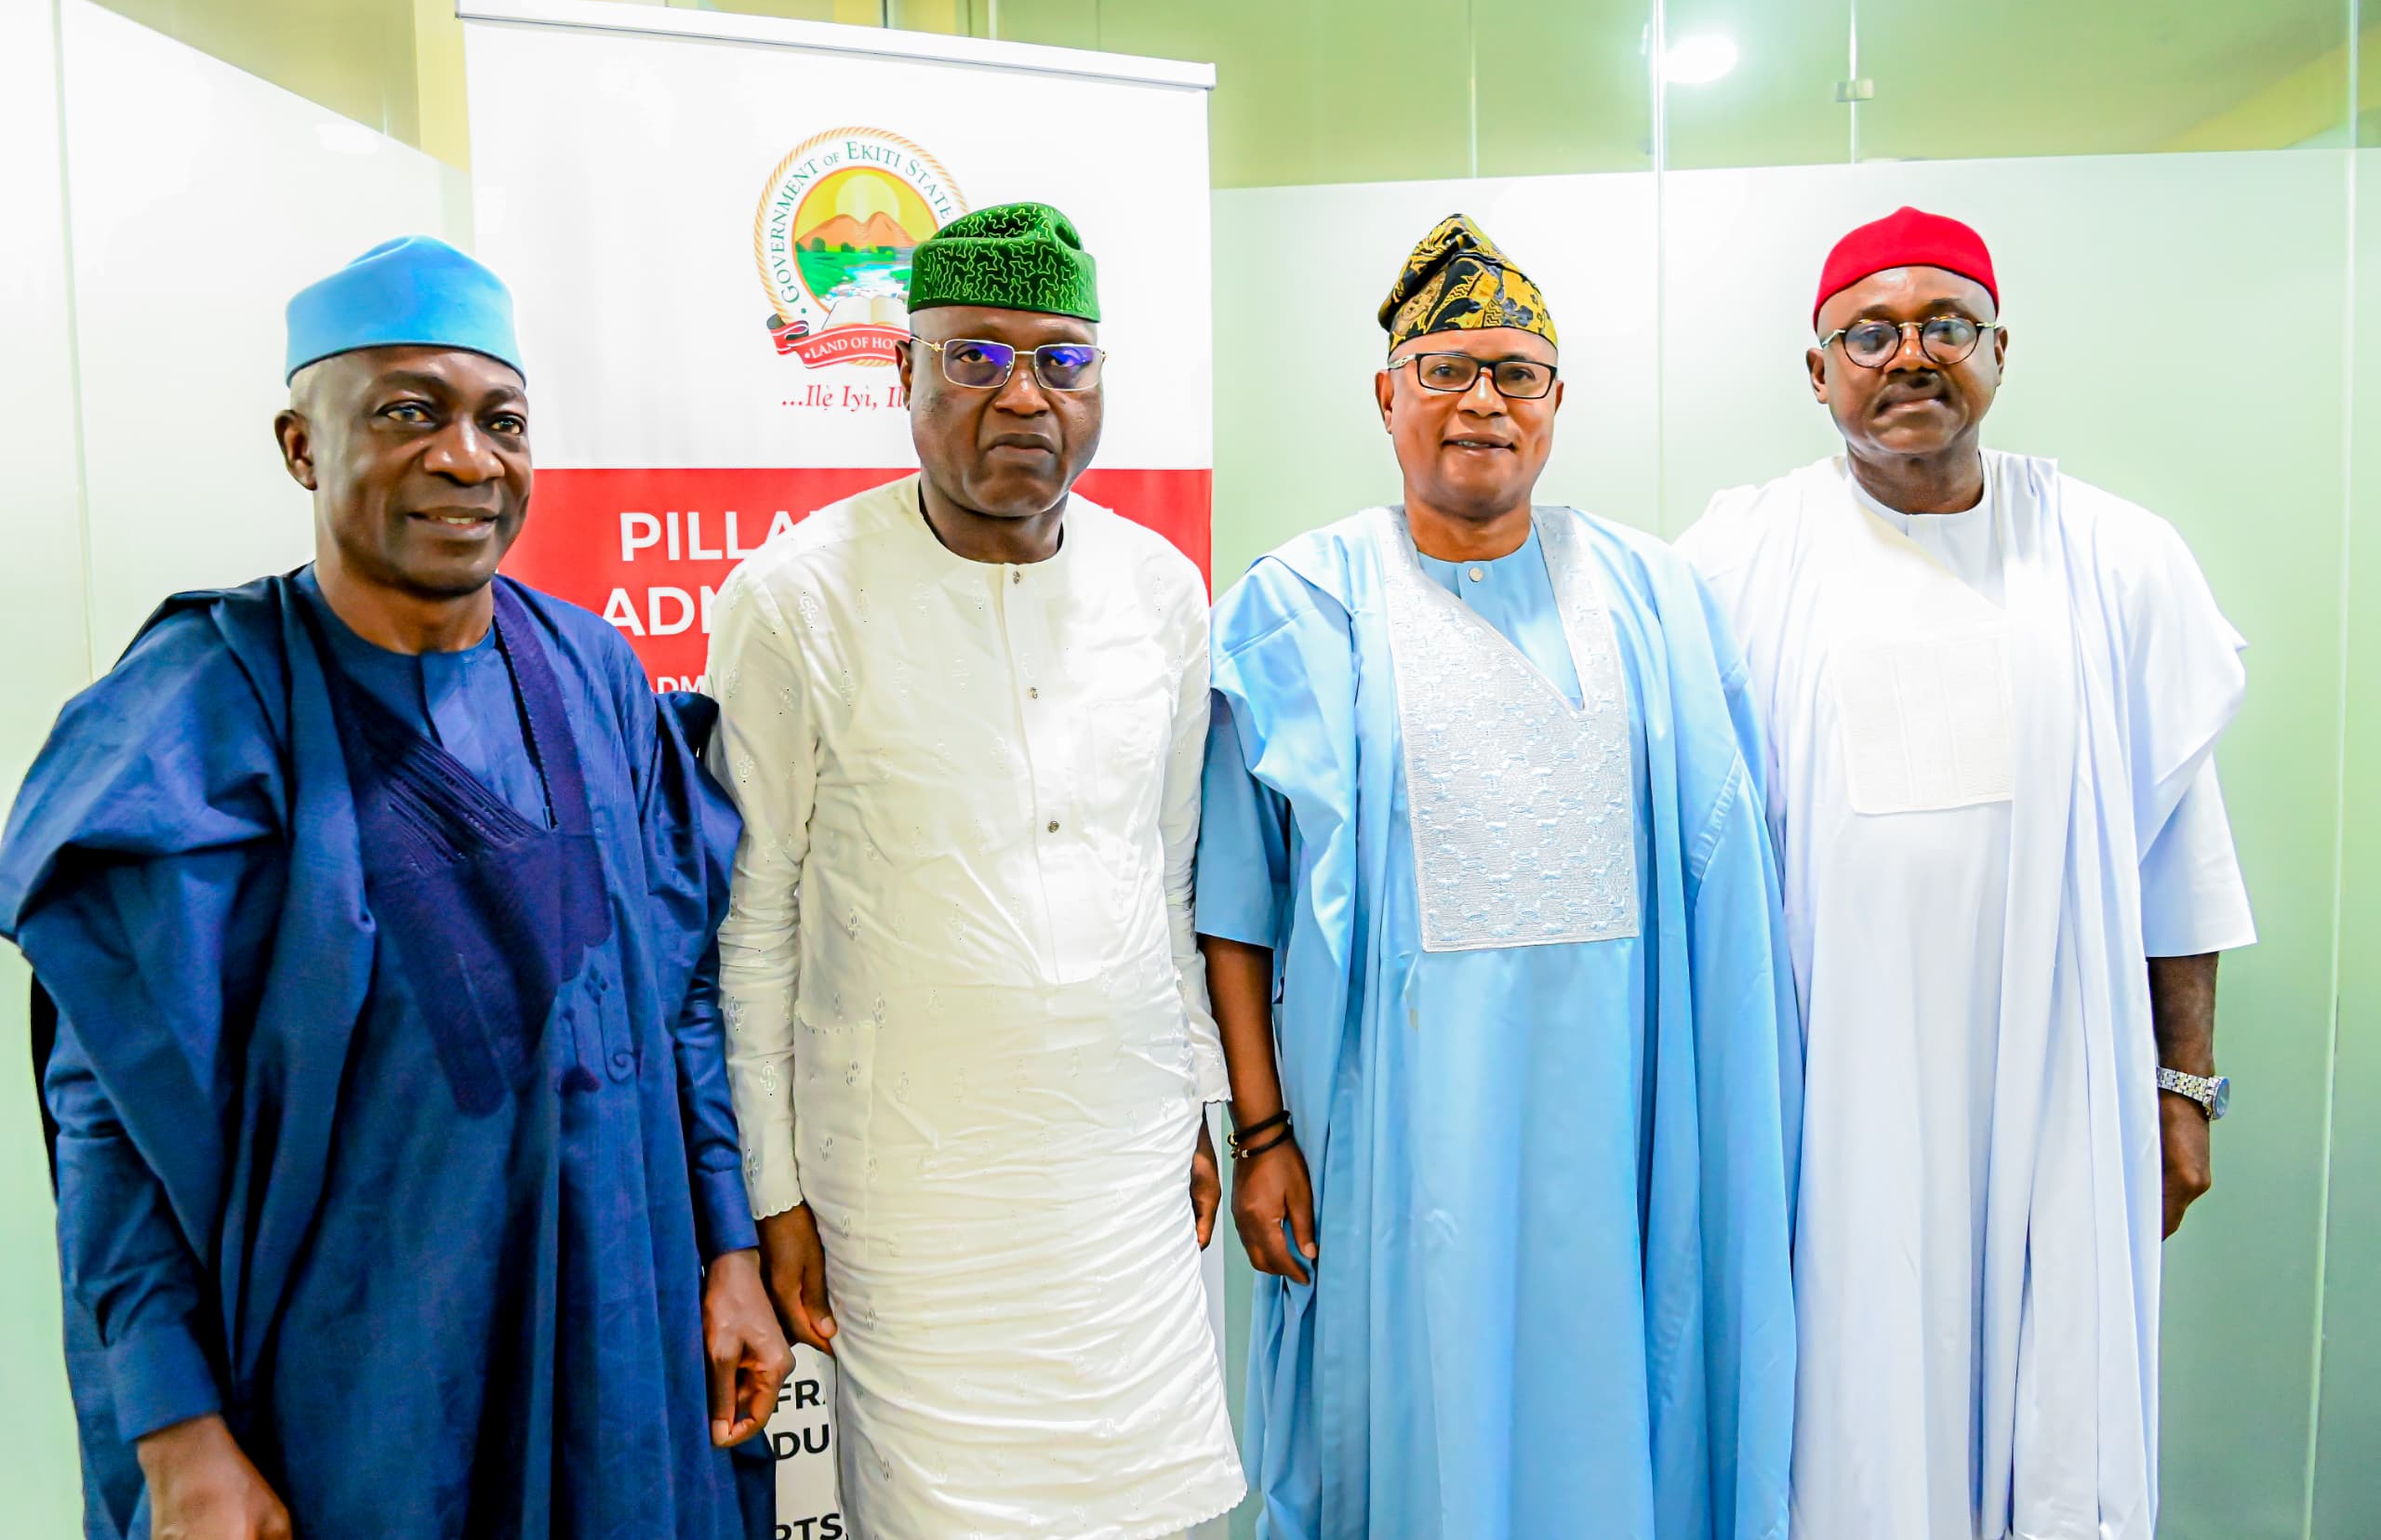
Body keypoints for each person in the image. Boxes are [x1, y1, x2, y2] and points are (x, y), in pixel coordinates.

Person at [0, 237, 787, 1540]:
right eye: (409, 413)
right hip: (358, 1382)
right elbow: (110, 1123)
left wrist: (728, 1251)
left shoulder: (593, 672)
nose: (466, 459)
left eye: (502, 421)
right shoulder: (205, 714)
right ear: (303, 445)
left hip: (621, 1348)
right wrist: (176, 1432)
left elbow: (681, 990)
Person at [1196, 214, 1800, 1540]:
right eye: (1447, 369)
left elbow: (1723, 874)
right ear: (1387, 395)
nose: (1483, 402)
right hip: (1401, 1136)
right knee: (1425, 1436)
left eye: (1516, 373)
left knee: (1616, 1413)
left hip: (1623, 1119)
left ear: (1557, 402)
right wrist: (1261, 1134)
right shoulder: (1304, 599)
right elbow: (1234, 908)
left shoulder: (1651, 592)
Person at [1676, 206, 2255, 1540]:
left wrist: (2182, 1087)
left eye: (1948, 326)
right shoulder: (1734, 558)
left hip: (2061, 1068)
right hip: (1830, 1078)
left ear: (2001, 349)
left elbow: (2182, 847)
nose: (1911, 356)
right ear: (1817, 371)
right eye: (1869, 332)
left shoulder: (2114, 555)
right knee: (1845, 1398)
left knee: (2055, 1390)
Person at [704, 201, 1245, 1540]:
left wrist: (1199, 1103)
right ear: (902, 373)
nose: (1023, 396)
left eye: (1063, 360)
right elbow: (754, 922)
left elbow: (1166, 881)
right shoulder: (797, 597)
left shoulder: (1163, 591)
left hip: (1120, 1160)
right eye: (974, 357)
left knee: (1144, 1510)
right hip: (909, 1183)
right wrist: (771, 1190)